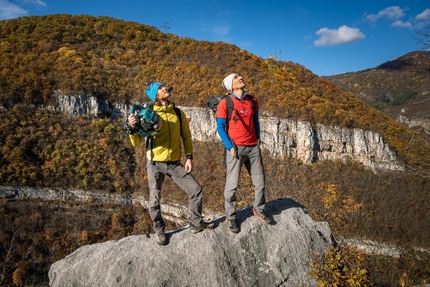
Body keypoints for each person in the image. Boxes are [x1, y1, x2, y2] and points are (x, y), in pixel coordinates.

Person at [127, 82, 214, 245]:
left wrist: (189, 157)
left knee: (195, 189)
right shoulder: (147, 113)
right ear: (155, 96)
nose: (164, 89)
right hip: (155, 163)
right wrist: (132, 128)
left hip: (174, 162)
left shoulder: (177, 113)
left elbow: (186, 136)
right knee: (154, 200)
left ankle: (196, 223)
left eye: (164, 86)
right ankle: (159, 230)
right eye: (160, 88)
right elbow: (136, 141)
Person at [216, 73, 271, 233]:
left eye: (240, 76)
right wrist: (230, 147)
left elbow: (256, 122)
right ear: (230, 86)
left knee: (260, 181)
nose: (240, 78)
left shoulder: (252, 101)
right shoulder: (225, 103)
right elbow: (220, 127)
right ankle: (231, 216)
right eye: (236, 77)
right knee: (232, 185)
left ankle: (258, 209)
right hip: (236, 148)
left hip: (253, 147)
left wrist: (258, 140)